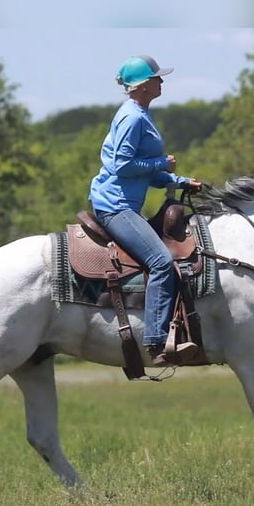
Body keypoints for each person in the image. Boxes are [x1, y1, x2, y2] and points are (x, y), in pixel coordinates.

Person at [88, 55, 202, 367]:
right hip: (115, 206)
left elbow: (143, 172)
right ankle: (155, 341)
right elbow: (123, 167)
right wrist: (161, 163)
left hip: (124, 203)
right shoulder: (133, 118)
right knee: (162, 262)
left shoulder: (141, 114)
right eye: (156, 78)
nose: (161, 81)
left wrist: (177, 180)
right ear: (142, 86)